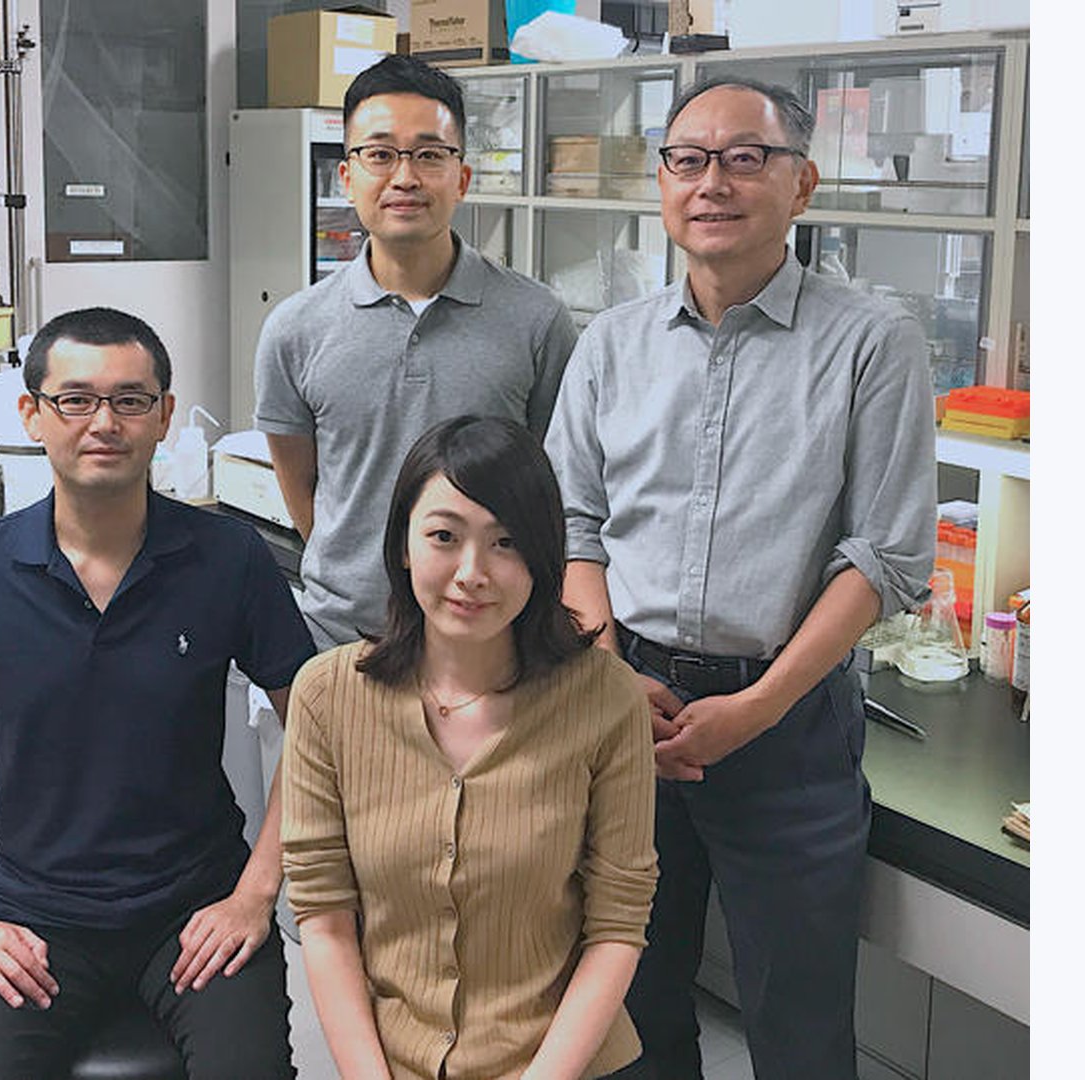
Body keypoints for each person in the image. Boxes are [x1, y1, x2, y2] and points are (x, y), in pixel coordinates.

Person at [544, 78, 938, 1080]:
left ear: (801, 184)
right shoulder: (611, 343)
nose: (711, 182)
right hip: (626, 704)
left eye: (744, 158)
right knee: (632, 1009)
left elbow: (886, 554)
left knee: (800, 1026)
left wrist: (758, 708)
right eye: (688, 159)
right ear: (663, 183)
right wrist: (607, 673)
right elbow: (571, 525)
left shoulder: (872, 342)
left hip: (788, 726)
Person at [0, 307, 316, 1079]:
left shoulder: (227, 559)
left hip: (197, 907)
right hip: (34, 914)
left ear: (164, 416)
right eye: (75, 399)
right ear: (32, 414)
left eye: (130, 400)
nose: (104, 422)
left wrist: (255, 893)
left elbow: (316, 732)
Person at [280, 415, 659, 1080]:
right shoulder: (327, 696)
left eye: (506, 542)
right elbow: (326, 918)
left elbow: (617, 925)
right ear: (403, 545)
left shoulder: (607, 698)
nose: (472, 573)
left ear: (541, 557)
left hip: (563, 1063)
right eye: (444, 537)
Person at [254, 53, 579, 650]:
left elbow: (553, 486)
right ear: (346, 176)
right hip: (343, 635)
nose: (404, 177)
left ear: (462, 178)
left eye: (429, 155)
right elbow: (303, 491)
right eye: (379, 154)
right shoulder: (294, 330)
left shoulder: (537, 320)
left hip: (488, 637)